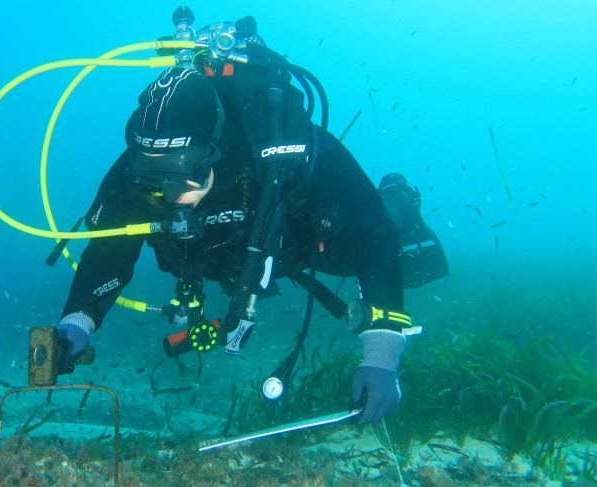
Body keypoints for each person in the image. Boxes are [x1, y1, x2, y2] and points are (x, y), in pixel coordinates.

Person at [49, 32, 416, 424]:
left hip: (294, 242)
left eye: (178, 181)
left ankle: (400, 197)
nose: (166, 197)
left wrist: (382, 353)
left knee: (377, 233)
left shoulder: (283, 142)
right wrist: (77, 323)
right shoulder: (139, 169)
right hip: (221, 259)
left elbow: (375, 236)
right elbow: (108, 255)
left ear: (213, 154)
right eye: (153, 183)